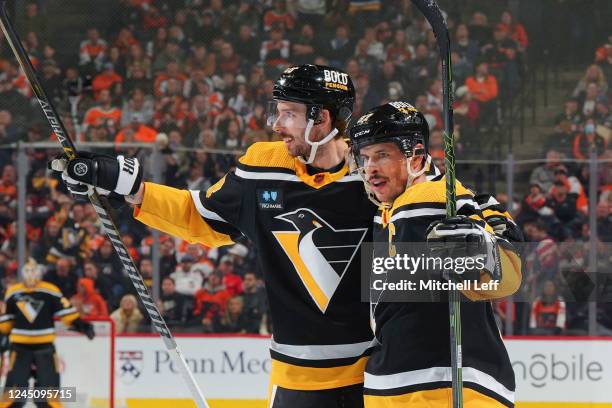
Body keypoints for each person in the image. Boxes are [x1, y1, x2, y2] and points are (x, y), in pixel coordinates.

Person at [52, 64, 376, 407]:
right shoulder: (262, 168)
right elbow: (202, 217)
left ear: (321, 118)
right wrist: (134, 190)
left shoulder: (374, 173)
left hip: (373, 377)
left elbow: (415, 257)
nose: (276, 125)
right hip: (294, 379)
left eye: (288, 114)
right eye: (276, 113)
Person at [348, 102, 522, 407]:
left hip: (442, 385)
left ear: (415, 156)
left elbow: (506, 280)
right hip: (394, 383)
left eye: (382, 155)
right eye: (365, 158)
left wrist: (480, 254)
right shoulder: (384, 212)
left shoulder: (433, 197)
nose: (370, 168)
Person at [0, 259, 94, 407]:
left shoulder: (39, 290)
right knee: (21, 396)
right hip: (27, 348)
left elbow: (66, 312)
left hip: (34, 348)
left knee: (40, 396)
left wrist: (82, 325)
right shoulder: (18, 291)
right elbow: (6, 321)